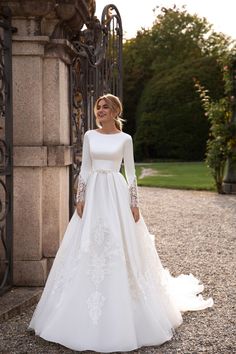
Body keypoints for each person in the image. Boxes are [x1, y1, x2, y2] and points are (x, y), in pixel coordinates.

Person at [28, 94, 213, 352]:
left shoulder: (125, 139)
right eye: (98, 107)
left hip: (116, 193)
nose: (100, 111)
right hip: (94, 194)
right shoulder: (90, 136)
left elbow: (131, 171)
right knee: (88, 244)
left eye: (106, 107)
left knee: (119, 242)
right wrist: (79, 197)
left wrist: (134, 203)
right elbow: (85, 169)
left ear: (115, 111)